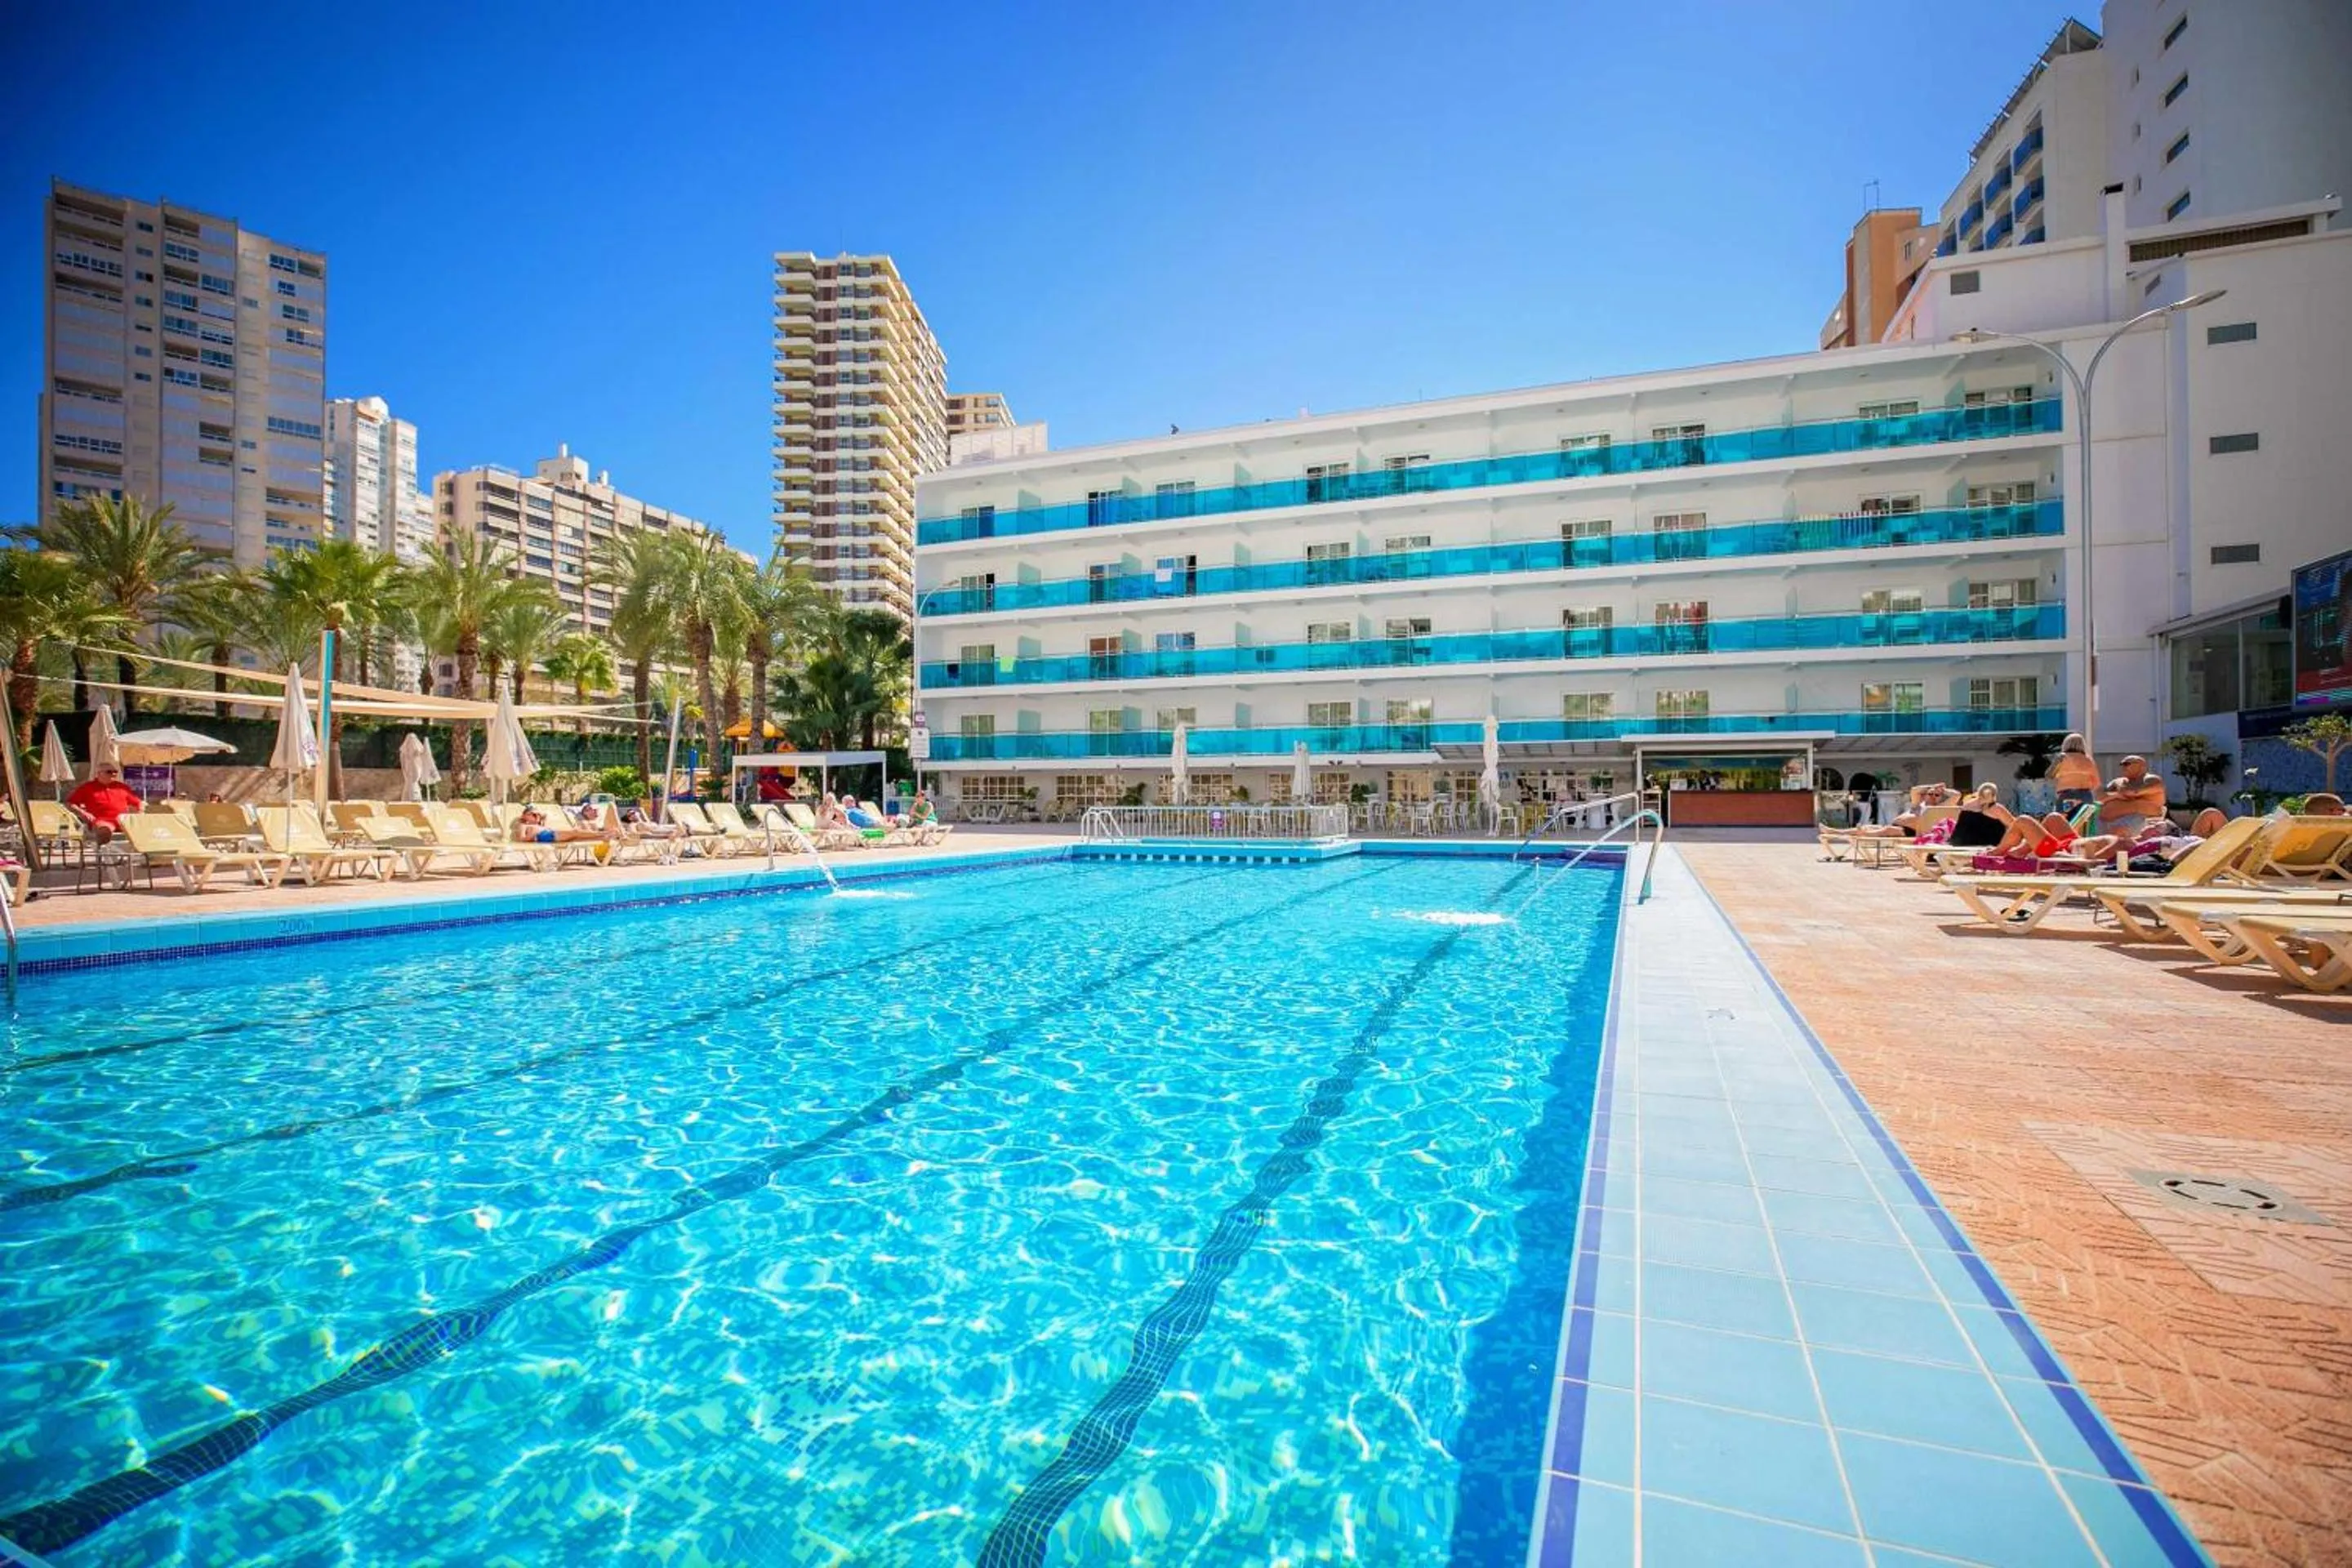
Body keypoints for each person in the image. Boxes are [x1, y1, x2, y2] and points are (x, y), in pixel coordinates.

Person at [66, 763, 145, 844]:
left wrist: (140, 812)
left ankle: (147, 853)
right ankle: (105, 853)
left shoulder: (122, 787)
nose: (113, 774)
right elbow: (70, 803)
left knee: (146, 827)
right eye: (109, 772)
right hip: (103, 821)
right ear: (99, 773)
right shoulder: (88, 787)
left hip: (123, 820)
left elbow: (138, 802)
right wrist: (83, 813)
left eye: (115, 772)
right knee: (104, 831)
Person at [2094, 755, 2168, 840]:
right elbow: (2099, 797)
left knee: (2116, 834)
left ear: (2142, 766)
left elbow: (2133, 792)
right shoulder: (2118, 781)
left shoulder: (2151, 779)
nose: (2123, 767)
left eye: (2127, 764)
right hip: (2104, 819)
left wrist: (2115, 795)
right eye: (2122, 764)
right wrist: (2117, 795)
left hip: (2137, 819)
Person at [1944, 783, 2014, 848]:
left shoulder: (1967, 805)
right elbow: (2013, 824)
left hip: (1960, 844)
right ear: (1994, 795)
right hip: (1987, 845)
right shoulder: (1997, 808)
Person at [2049, 733, 2100, 813]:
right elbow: (2096, 782)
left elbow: (2049, 775)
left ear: (2066, 744)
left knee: (2065, 822)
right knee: (2084, 823)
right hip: (2086, 795)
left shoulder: (2061, 758)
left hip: (2066, 795)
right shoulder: (2088, 760)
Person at [511, 805, 612, 845]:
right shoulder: (523, 825)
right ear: (524, 816)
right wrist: (533, 836)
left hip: (549, 835)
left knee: (577, 837)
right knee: (576, 832)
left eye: (537, 815)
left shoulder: (539, 824)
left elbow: (544, 816)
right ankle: (604, 833)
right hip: (544, 836)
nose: (536, 816)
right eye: (532, 814)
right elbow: (521, 839)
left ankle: (603, 837)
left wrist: (540, 817)